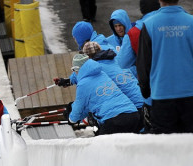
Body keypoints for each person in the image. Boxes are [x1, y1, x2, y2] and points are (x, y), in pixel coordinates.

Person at [136, 0, 193, 134]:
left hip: (162, 95)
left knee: (165, 146)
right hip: (190, 94)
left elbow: (143, 65)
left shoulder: (149, 25)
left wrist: (146, 91)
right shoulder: (191, 22)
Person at [114, 0, 160, 133]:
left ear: (142, 9)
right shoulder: (183, 21)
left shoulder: (135, 31)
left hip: (152, 93)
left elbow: (122, 62)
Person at [65, 53, 140, 135]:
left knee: (101, 145)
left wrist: (71, 119)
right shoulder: (102, 74)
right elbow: (89, 107)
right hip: (133, 114)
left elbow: (79, 107)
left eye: (74, 70)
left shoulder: (83, 84)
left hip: (114, 118)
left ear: (77, 69)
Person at [83, 41, 144, 131]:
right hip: (144, 102)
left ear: (88, 57)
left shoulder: (97, 69)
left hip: (132, 108)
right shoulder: (116, 59)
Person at [53, 21, 115, 87]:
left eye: (75, 38)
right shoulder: (102, 44)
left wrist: (69, 80)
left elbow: (86, 71)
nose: (75, 41)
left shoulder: (93, 51)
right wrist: (69, 80)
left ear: (81, 38)